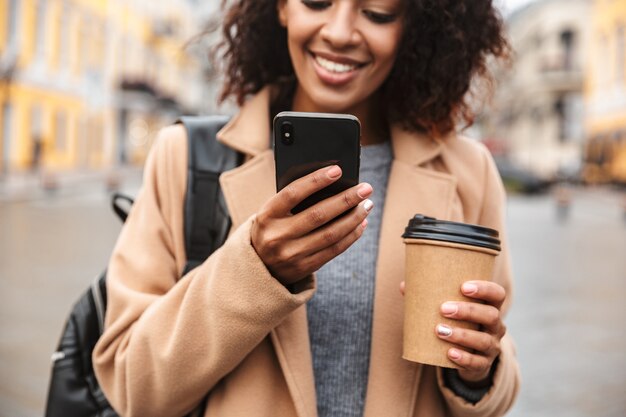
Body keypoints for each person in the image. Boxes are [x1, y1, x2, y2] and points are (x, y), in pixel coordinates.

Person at [93, 1, 520, 416]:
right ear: (280, 6)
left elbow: (496, 377)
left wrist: (477, 373)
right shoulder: (185, 157)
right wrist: (256, 269)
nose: (338, 32)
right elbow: (132, 389)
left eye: (377, 14)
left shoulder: (469, 171)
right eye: (316, 3)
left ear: (414, 25)